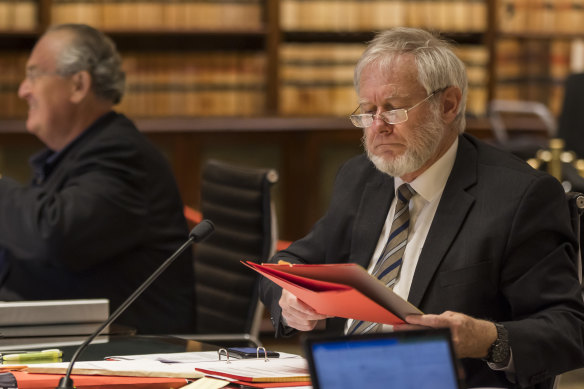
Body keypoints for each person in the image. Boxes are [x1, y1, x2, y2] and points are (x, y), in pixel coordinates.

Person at [259, 27, 584, 388]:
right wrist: (289, 298)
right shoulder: (360, 177)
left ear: (448, 104)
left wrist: (488, 339)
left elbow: (568, 328)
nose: (377, 126)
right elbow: (293, 263)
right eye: (367, 111)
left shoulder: (521, 196)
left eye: (393, 110)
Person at [0, 24, 195, 334]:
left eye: (34, 75)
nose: (23, 90)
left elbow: (54, 236)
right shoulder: (79, 153)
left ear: (78, 85)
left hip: (127, 352)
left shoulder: (122, 157)